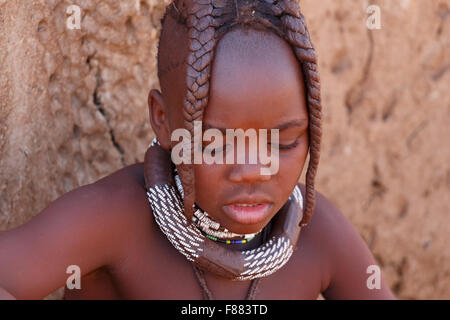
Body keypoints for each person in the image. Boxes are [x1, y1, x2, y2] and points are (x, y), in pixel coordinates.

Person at [0, 0, 396, 300]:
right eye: (217, 143)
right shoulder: (116, 221)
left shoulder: (316, 235)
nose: (255, 170)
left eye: (282, 143)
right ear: (163, 119)